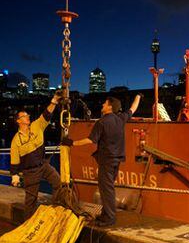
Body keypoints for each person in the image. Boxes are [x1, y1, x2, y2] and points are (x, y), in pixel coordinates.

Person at [61, 95, 142, 227]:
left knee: (106, 189)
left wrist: (71, 143)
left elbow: (90, 140)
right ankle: (105, 213)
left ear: (110, 106)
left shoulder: (102, 122)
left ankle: (109, 218)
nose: (102, 105)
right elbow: (133, 108)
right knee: (108, 187)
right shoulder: (121, 118)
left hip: (106, 160)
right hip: (117, 160)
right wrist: (138, 97)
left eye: (104, 103)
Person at [10, 92, 62, 220]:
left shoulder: (36, 125)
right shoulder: (16, 140)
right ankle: (27, 224)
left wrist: (54, 100)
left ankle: (55, 209)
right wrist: (14, 175)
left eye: (27, 115)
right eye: (24, 116)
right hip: (30, 171)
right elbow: (14, 160)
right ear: (18, 121)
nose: (27, 117)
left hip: (43, 165)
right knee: (31, 200)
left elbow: (46, 114)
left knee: (58, 183)